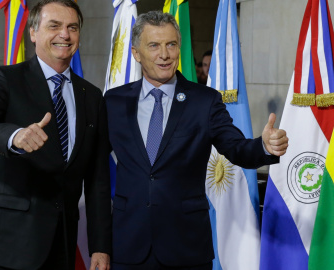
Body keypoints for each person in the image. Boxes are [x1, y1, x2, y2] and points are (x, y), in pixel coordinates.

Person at [105, 11, 288, 270]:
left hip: (186, 246)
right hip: (128, 244)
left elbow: (235, 147)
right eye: (154, 45)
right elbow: (93, 169)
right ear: (136, 53)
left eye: (171, 44)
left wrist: (263, 146)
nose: (164, 54)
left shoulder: (205, 101)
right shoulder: (114, 101)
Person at [0, 0, 112, 269]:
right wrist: (15, 136)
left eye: (72, 27)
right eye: (54, 26)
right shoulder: (4, 78)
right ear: (33, 32)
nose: (64, 34)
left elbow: (97, 179)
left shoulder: (92, 96)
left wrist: (100, 246)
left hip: (62, 244)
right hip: (6, 242)